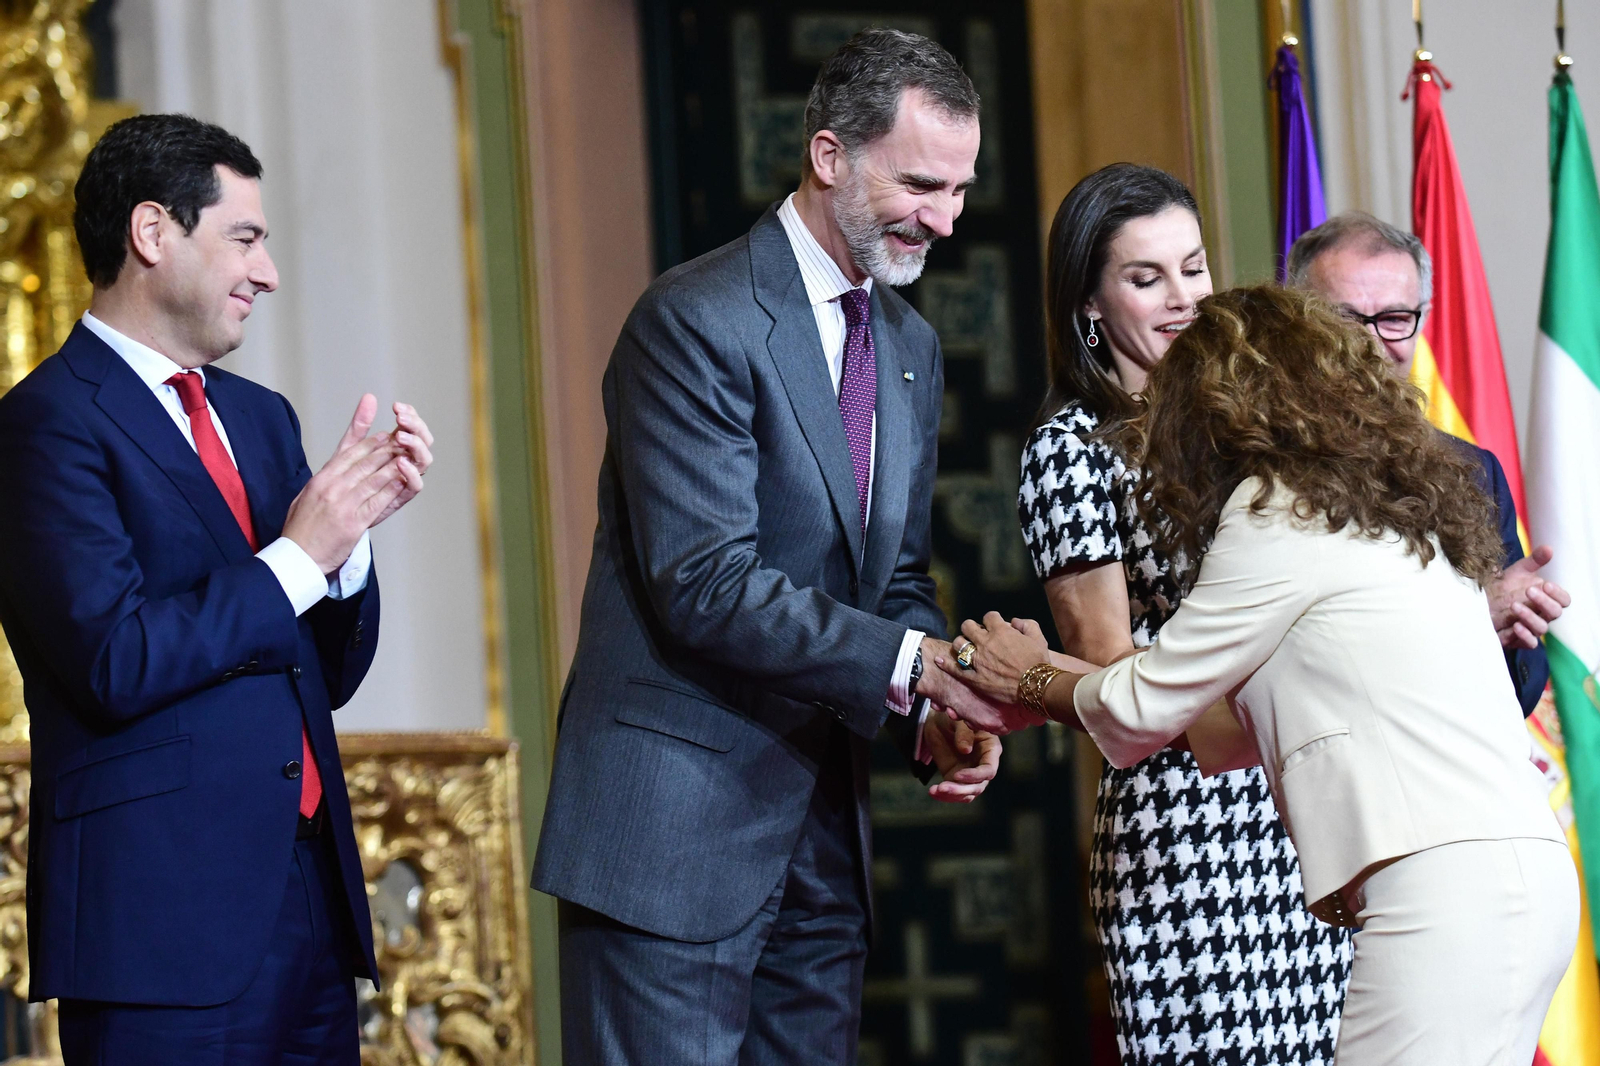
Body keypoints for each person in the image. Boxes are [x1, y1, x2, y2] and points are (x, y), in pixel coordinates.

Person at [939, 285, 1578, 1066]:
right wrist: (1038, 697)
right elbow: (1229, 726)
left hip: (1446, 895)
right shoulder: (1384, 505)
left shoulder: (1276, 509)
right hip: (1522, 878)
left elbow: (1144, 703)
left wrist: (1032, 675)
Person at [531, 28, 1002, 1065]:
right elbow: (704, 580)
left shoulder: (911, 346)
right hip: (669, 841)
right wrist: (910, 665)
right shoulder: (693, 320)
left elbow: (898, 577)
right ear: (829, 156)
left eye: (962, 190)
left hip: (824, 840)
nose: (946, 218)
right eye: (921, 183)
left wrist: (932, 709)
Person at [0, 114, 435, 1064]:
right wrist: (296, 553)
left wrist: (347, 542)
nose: (268, 272)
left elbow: (321, 673)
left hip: (311, 907)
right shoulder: (44, 424)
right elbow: (114, 661)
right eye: (245, 237)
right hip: (161, 930)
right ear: (153, 234)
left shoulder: (259, 416)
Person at [1012, 164, 1350, 1064]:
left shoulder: (1252, 420)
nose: (1182, 298)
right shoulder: (1069, 451)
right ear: (1089, 304)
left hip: (1304, 799)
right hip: (1187, 833)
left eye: (1193, 267)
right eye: (1145, 276)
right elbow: (1109, 672)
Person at [1288, 212, 1567, 713]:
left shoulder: (1473, 473)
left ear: (1423, 316)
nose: (1372, 344)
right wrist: (1473, 617)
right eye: (1347, 319)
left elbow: (1519, 697)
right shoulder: (1254, 467)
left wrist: (1508, 629)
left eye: (1395, 318)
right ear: (1297, 321)